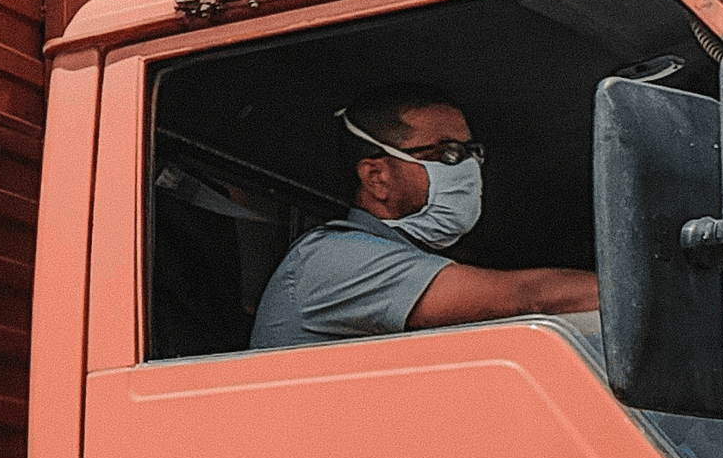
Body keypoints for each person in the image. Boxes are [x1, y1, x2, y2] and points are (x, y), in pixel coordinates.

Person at [250, 82, 597, 351]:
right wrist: (638, 296)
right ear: (376, 177)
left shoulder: (411, 258)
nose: (467, 169)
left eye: (471, 153)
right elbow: (530, 297)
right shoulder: (333, 257)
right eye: (447, 153)